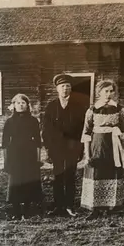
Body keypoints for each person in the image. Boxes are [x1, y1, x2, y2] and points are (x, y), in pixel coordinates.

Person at [80, 80, 124, 219]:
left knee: (112, 172)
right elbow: (86, 132)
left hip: (113, 145)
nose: (109, 94)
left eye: (111, 91)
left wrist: (120, 146)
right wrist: (87, 154)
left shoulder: (119, 109)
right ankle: (95, 209)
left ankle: (111, 207)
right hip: (97, 145)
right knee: (96, 173)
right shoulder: (92, 110)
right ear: (99, 92)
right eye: (106, 91)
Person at [42, 73, 88, 217]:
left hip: (72, 148)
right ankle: (58, 205)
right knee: (58, 176)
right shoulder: (51, 106)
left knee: (69, 176)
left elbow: (82, 129)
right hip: (56, 148)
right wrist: (49, 148)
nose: (65, 89)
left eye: (67, 86)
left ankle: (69, 205)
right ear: (57, 89)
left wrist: (80, 149)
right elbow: (46, 129)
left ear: (71, 88)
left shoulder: (79, 107)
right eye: (62, 86)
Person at [2, 94, 42, 220]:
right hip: (14, 154)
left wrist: (38, 159)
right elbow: (4, 143)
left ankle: (26, 211)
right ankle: (16, 211)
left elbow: (38, 141)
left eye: (23, 103)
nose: (20, 105)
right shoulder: (9, 121)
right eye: (18, 103)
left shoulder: (33, 121)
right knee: (15, 182)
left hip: (29, 154)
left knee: (27, 181)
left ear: (27, 105)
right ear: (14, 105)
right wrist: (6, 161)